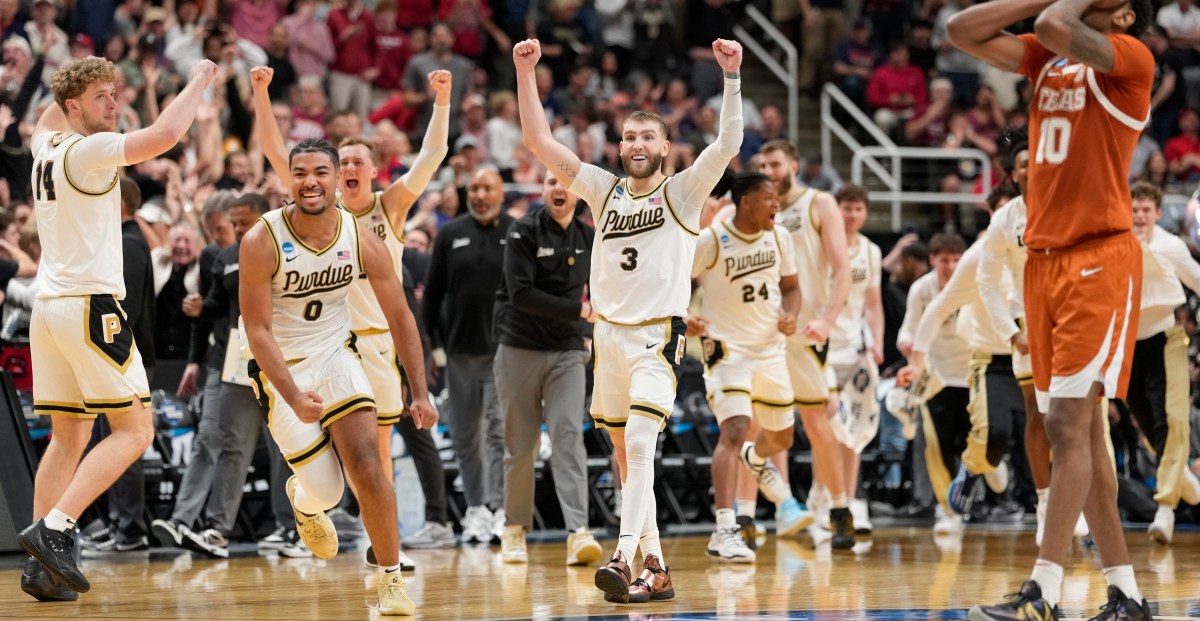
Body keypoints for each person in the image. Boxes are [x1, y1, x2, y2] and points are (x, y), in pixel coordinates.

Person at [515, 36, 743, 603]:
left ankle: (623, 555)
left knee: (641, 445)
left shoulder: (683, 194)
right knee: (625, 456)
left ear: (665, 146)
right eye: (630, 136)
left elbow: (728, 141)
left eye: (648, 136)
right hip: (607, 339)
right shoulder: (603, 189)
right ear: (620, 146)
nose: (638, 143)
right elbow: (538, 141)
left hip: (656, 339)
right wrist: (526, 72)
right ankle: (657, 568)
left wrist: (731, 78)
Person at [948, 0, 1156, 618]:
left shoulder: (1130, 61)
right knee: (1083, 435)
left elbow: (1052, 26)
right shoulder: (1049, 59)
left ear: (1121, 17)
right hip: (1042, 262)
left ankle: (1044, 589)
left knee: (1066, 427)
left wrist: (1057, 8)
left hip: (1098, 257)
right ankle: (1126, 594)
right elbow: (961, 30)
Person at [18, 55, 217, 601]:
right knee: (135, 430)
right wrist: (199, 79)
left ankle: (41, 568)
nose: (115, 103)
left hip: (50, 308)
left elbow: (45, 114)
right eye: (102, 96)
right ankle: (55, 530)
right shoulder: (89, 150)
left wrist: (75, 80)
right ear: (74, 107)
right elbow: (170, 132)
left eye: (116, 93)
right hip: (89, 306)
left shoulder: (45, 143)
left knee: (68, 438)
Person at [254, 64, 457, 556]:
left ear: (372, 169)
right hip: (322, 339)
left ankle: (380, 543)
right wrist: (261, 94)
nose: (348, 168)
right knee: (307, 437)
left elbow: (432, 156)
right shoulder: (318, 204)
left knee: (378, 450)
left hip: (376, 339)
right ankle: (311, 510)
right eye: (341, 160)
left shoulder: (390, 206)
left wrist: (443, 101)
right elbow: (274, 150)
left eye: (357, 162)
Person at [240, 139, 436, 616]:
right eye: (301, 172)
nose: (311, 181)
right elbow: (257, 330)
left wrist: (420, 391)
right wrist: (290, 394)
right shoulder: (261, 240)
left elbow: (401, 316)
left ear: (334, 180)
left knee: (369, 464)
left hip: (336, 355)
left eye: (321, 172)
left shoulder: (361, 235)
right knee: (329, 491)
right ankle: (305, 501)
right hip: (280, 369)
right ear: (289, 179)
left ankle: (391, 580)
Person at [688, 172, 812, 564]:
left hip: (770, 350)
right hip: (727, 349)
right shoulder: (711, 239)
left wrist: (791, 315)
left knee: (782, 439)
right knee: (735, 428)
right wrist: (682, 314)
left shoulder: (780, 237)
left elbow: (791, 288)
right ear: (746, 203)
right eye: (769, 198)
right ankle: (725, 528)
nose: (776, 205)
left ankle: (754, 460)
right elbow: (678, 279)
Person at [493, 173, 603, 566]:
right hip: (519, 347)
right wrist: (581, 311)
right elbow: (520, 293)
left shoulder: (590, 236)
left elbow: (605, 287)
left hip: (568, 350)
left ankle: (579, 532)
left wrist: (592, 330)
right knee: (521, 446)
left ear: (579, 192)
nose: (560, 189)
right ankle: (514, 529)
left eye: (567, 183)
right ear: (542, 189)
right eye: (552, 181)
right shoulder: (522, 231)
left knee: (569, 434)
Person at [757, 139, 853, 548]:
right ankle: (780, 509)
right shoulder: (756, 207)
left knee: (816, 423)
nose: (770, 170)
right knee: (765, 423)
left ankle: (839, 507)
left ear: (794, 165)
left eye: (775, 163)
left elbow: (842, 268)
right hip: (763, 332)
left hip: (805, 332)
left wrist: (828, 319)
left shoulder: (819, 203)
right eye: (763, 165)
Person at [423, 168, 513, 545]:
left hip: (504, 351)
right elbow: (432, 294)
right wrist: (428, 346)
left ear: (501, 193)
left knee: (497, 431)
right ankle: (476, 508)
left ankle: (502, 510)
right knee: (463, 434)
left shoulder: (516, 231)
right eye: (473, 187)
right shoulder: (450, 234)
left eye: (487, 188)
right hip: (458, 352)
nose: (479, 194)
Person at [1128, 180, 1200, 544]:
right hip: (1126, 345)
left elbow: (1198, 280)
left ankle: (1165, 510)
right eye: (1134, 209)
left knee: (1172, 421)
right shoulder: (1115, 245)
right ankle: (1184, 478)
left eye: (1146, 210)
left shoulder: (1170, 246)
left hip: (1166, 340)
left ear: (1157, 213)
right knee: (1148, 425)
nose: (1139, 215)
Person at [895, 232, 971, 535]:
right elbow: (907, 331)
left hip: (970, 375)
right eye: (944, 260)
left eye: (956, 260)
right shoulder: (920, 290)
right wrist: (907, 345)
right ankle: (948, 508)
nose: (951, 266)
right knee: (938, 447)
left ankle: (977, 496)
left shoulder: (972, 284)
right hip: (935, 377)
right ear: (932, 260)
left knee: (971, 445)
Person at [826, 183, 884, 535]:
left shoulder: (871, 251)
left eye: (858, 209)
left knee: (855, 432)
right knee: (829, 429)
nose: (852, 215)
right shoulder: (823, 245)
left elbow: (874, 304)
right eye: (846, 208)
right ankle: (828, 500)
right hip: (824, 350)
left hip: (856, 350)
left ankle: (851, 502)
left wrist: (877, 342)